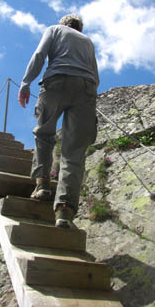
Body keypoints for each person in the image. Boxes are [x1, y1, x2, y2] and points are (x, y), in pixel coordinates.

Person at [18, 14, 99, 228]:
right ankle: (65, 212)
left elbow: (40, 54)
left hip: (57, 81)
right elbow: (95, 75)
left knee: (44, 134)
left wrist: (26, 82)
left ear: (64, 24)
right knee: (73, 153)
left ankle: (43, 184)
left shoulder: (54, 29)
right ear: (79, 28)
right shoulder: (88, 41)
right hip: (86, 89)